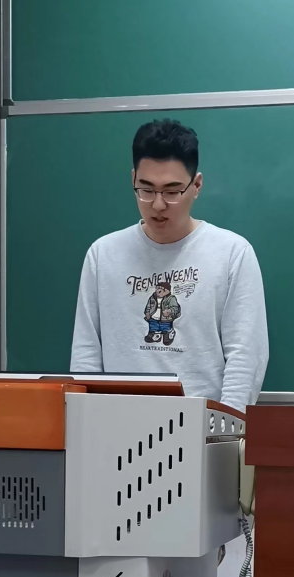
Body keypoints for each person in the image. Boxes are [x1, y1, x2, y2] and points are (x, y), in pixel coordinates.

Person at [70, 118, 269, 413]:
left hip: (202, 428)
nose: (158, 205)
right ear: (133, 179)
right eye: (146, 189)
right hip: (115, 425)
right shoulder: (103, 255)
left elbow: (246, 357)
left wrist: (224, 429)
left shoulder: (231, 254)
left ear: (196, 185)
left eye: (172, 191)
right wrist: (87, 421)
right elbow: (86, 352)